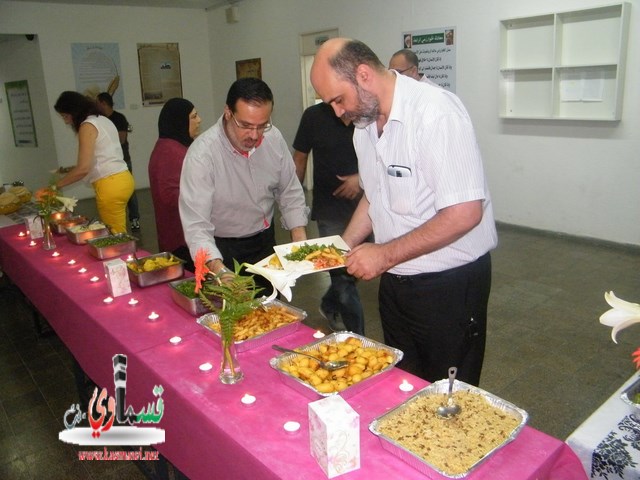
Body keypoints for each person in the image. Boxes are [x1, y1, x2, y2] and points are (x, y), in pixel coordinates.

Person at [310, 38, 497, 386]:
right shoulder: (365, 125)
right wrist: (339, 248)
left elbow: (465, 213)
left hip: (449, 285)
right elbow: (375, 195)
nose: (337, 112)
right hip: (397, 281)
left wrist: (383, 255)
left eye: (338, 100)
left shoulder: (435, 113)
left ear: (363, 75)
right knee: (405, 385)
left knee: (448, 392)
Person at [179, 78, 308, 293]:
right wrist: (220, 271)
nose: (255, 136)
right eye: (246, 125)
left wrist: (299, 240)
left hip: (265, 243)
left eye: (262, 125)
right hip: (223, 250)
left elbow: (290, 190)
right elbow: (196, 228)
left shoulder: (273, 138)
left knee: (271, 312)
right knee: (233, 320)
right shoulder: (202, 156)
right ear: (228, 112)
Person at [292, 102, 365, 334]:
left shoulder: (365, 112)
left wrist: (360, 179)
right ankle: (359, 339)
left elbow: (382, 158)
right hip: (329, 209)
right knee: (343, 278)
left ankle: (329, 303)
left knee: (357, 269)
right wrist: (294, 203)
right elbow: (300, 157)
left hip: (366, 209)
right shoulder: (313, 116)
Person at [49, 91, 134, 234]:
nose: (66, 121)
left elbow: (83, 168)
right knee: (118, 230)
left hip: (110, 183)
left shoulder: (87, 126)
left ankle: (124, 255)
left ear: (74, 111)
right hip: (122, 179)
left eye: (65, 116)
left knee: (116, 236)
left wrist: (54, 187)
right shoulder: (102, 119)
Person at [148, 98, 201, 272]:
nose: (199, 120)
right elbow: (169, 196)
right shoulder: (170, 152)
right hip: (181, 238)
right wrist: (206, 194)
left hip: (183, 234)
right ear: (179, 121)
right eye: (193, 117)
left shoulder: (174, 146)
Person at [96, 92, 141, 230]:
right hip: (106, 164)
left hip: (123, 161)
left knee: (130, 191)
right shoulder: (100, 120)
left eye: (97, 103)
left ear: (103, 103)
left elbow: (121, 139)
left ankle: (134, 219)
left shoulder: (119, 118)